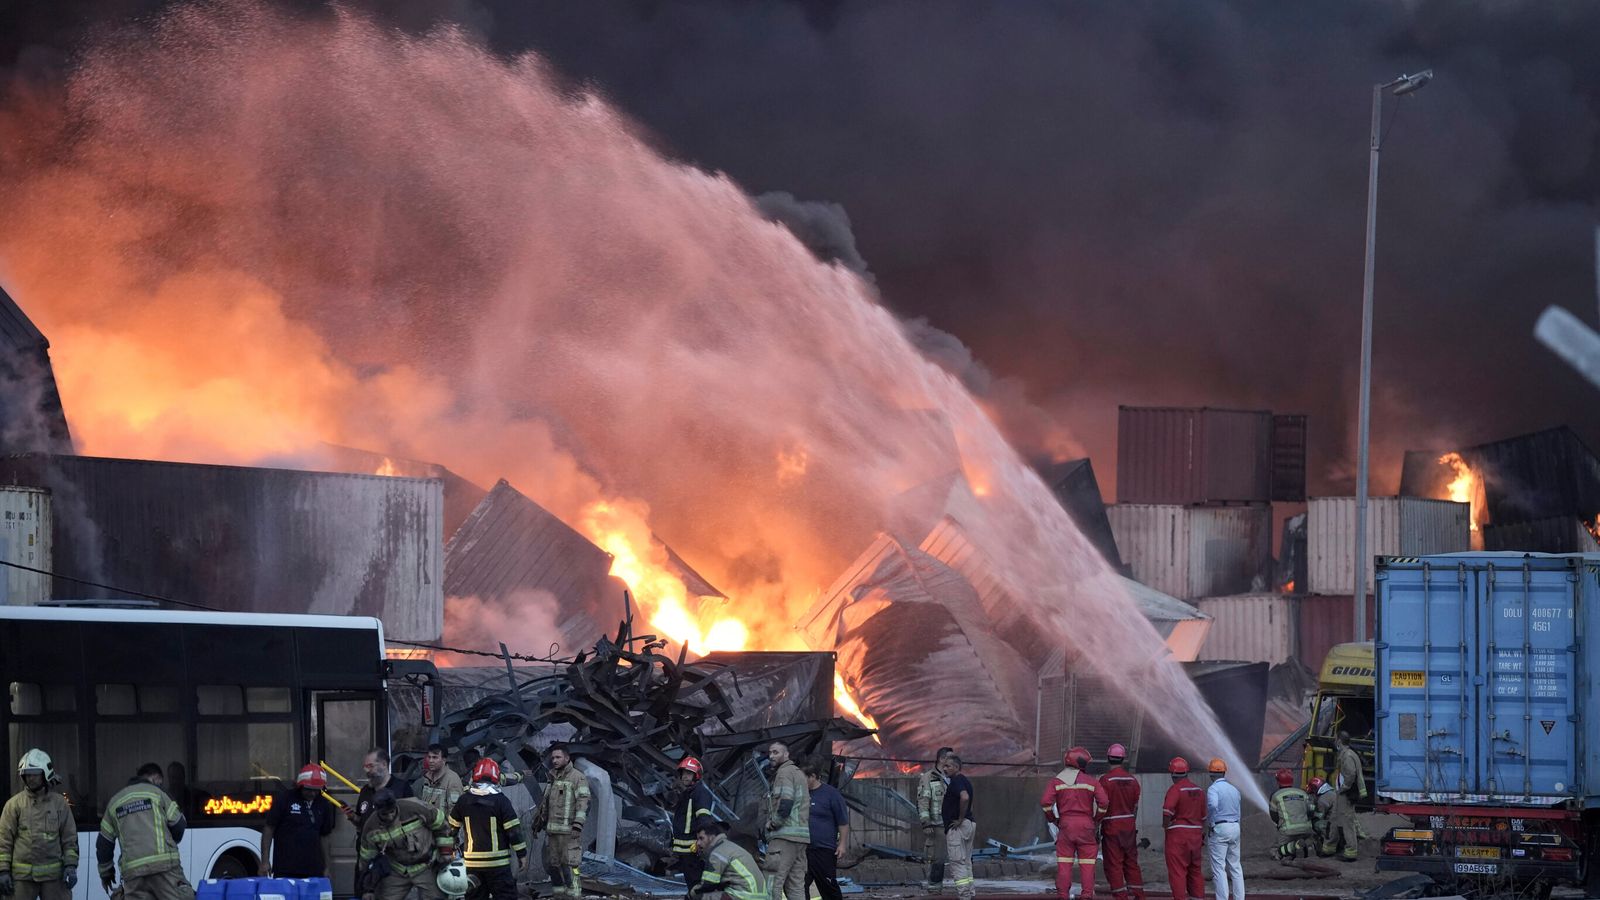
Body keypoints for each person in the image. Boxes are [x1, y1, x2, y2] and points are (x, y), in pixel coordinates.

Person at [96, 762, 191, 900]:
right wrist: (170, 841)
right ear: (154, 778)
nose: (160, 785)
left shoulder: (115, 802)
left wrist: (106, 873)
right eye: (160, 782)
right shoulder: (158, 793)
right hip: (164, 869)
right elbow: (179, 825)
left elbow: (104, 843)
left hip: (133, 874)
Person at [0, 749, 77, 900]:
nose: (30, 778)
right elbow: (4, 841)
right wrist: (3, 871)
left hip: (53, 879)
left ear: (45, 774)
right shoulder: (14, 805)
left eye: (34, 774)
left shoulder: (59, 804)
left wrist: (71, 866)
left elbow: (69, 839)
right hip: (22, 879)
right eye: (27, 775)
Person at [449, 758, 526, 900]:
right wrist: (522, 854)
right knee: (505, 897)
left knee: (475, 897)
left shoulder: (463, 800)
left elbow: (451, 828)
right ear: (496, 776)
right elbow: (514, 831)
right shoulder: (501, 801)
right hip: (498, 865)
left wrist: (450, 850)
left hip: (472, 865)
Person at [355, 789, 452, 900]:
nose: (390, 816)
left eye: (392, 811)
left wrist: (445, 851)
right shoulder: (371, 828)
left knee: (436, 897)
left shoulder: (415, 808)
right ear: (377, 811)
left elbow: (441, 824)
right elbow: (366, 860)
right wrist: (367, 889)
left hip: (427, 865)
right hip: (396, 869)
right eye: (384, 814)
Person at [1040, 747, 1106, 900]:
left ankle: (1063, 895)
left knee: (1064, 864)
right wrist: (1096, 820)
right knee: (1087, 865)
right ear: (1081, 763)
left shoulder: (1057, 781)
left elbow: (1045, 803)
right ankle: (1086, 895)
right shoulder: (1091, 782)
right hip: (1086, 826)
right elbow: (1104, 803)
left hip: (1066, 826)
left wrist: (1053, 819)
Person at [532, 745, 589, 900]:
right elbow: (545, 804)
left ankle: (575, 895)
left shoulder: (577, 778)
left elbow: (583, 803)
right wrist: (538, 823)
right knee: (554, 866)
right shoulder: (552, 778)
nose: (555, 761)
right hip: (552, 832)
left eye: (558, 757)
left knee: (571, 865)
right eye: (553, 758)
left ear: (567, 758)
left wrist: (578, 825)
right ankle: (559, 895)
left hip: (569, 833)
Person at [260, 765, 337, 878]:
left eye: (316, 790)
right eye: (309, 789)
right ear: (300, 785)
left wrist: (327, 867)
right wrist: (265, 861)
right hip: (286, 869)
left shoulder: (324, 804)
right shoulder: (285, 799)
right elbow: (269, 828)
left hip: (314, 870)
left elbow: (325, 836)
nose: (313, 794)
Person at [761, 741, 809, 900]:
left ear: (787, 754)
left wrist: (774, 823)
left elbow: (786, 802)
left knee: (772, 882)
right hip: (800, 839)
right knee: (795, 886)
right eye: (770, 752)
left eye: (776, 752)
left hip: (783, 837)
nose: (771, 756)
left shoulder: (784, 773)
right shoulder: (799, 774)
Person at [1100, 743, 1143, 900]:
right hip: (1129, 826)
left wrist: (1097, 826)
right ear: (1123, 759)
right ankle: (1138, 895)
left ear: (1108, 758)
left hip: (1112, 827)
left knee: (1114, 864)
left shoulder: (1105, 780)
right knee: (1131, 862)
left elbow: (1102, 806)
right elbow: (1135, 807)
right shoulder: (1133, 780)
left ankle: (1121, 896)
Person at [802, 762, 848, 900]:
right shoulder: (800, 794)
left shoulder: (831, 794)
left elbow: (843, 822)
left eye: (803, 777)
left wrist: (842, 844)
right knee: (801, 885)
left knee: (827, 885)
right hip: (803, 849)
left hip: (824, 849)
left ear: (813, 776)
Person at [688, 818, 765, 900]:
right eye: (697, 839)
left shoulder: (717, 853)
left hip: (744, 896)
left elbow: (707, 884)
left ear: (712, 837)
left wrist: (690, 895)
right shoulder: (727, 846)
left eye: (701, 838)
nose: (698, 843)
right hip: (758, 896)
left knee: (700, 896)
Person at [1160, 758, 1205, 900]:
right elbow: (1204, 817)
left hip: (1178, 837)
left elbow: (1167, 811)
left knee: (1178, 873)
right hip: (1196, 836)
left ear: (1172, 774)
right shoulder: (1199, 790)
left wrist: (1165, 826)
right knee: (1195, 871)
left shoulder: (1175, 789)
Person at [671, 758, 715, 894]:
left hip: (693, 849)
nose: (685, 776)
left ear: (696, 775)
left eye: (689, 773)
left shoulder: (700, 793)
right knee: (692, 884)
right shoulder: (687, 793)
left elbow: (704, 820)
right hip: (685, 850)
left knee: (696, 884)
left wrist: (700, 842)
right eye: (683, 773)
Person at [914, 748, 953, 893]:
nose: (953, 761)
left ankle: (963, 889)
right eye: (950, 758)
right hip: (937, 825)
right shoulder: (928, 778)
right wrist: (926, 822)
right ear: (941, 759)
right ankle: (934, 889)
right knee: (938, 858)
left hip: (952, 825)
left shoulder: (952, 777)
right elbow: (923, 801)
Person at [1204, 759, 1243, 900]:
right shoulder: (1234, 789)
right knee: (1235, 867)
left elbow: (1213, 805)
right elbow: (1238, 811)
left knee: (1219, 868)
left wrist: (1211, 822)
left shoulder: (1213, 789)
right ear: (1224, 772)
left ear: (1210, 774)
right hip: (1235, 826)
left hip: (1220, 828)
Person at [1324, 732, 1365, 862]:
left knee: (1347, 822)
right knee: (1334, 818)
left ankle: (1351, 852)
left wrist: (1344, 787)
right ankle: (1329, 847)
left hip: (1346, 794)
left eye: (1336, 739)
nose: (1334, 741)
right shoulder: (1347, 754)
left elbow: (1351, 774)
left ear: (1339, 741)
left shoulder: (1347, 755)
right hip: (1342, 793)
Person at [940, 754, 975, 900]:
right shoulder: (965, 781)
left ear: (956, 767)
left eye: (948, 766)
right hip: (969, 824)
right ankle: (970, 893)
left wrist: (960, 819)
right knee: (966, 861)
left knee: (957, 862)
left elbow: (965, 797)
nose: (944, 769)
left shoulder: (956, 781)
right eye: (944, 766)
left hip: (957, 828)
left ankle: (964, 895)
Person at [352, 749, 414, 827]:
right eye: (365, 767)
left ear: (384, 764)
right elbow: (361, 821)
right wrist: (352, 817)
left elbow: (411, 820)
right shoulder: (365, 790)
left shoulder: (402, 788)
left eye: (370, 766)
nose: (366, 770)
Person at [1267, 770, 1313, 861]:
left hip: (1287, 831)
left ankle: (1294, 846)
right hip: (1306, 829)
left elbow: (1274, 815)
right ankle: (1308, 846)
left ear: (1278, 781)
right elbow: (1310, 811)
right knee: (1306, 840)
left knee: (1275, 851)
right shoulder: (1302, 793)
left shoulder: (1276, 795)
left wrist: (1280, 825)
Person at [415, 744, 464, 819]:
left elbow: (455, 812)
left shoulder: (452, 780)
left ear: (444, 760)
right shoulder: (426, 779)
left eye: (435, 757)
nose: (431, 761)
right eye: (429, 757)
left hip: (443, 825)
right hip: (427, 824)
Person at [1308, 779, 1333, 855]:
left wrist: (1311, 813)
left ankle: (1326, 843)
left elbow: (1320, 816)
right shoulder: (1332, 793)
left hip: (1333, 825)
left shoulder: (1322, 800)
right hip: (1342, 823)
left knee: (1316, 824)